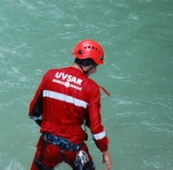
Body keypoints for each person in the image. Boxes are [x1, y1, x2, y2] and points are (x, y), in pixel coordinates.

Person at [28, 39, 112, 170]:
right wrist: (105, 151)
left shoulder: (49, 76)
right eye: (95, 66)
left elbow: (34, 112)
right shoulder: (91, 88)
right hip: (75, 149)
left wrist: (50, 128)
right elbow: (95, 128)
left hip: (49, 144)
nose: (95, 70)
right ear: (87, 64)